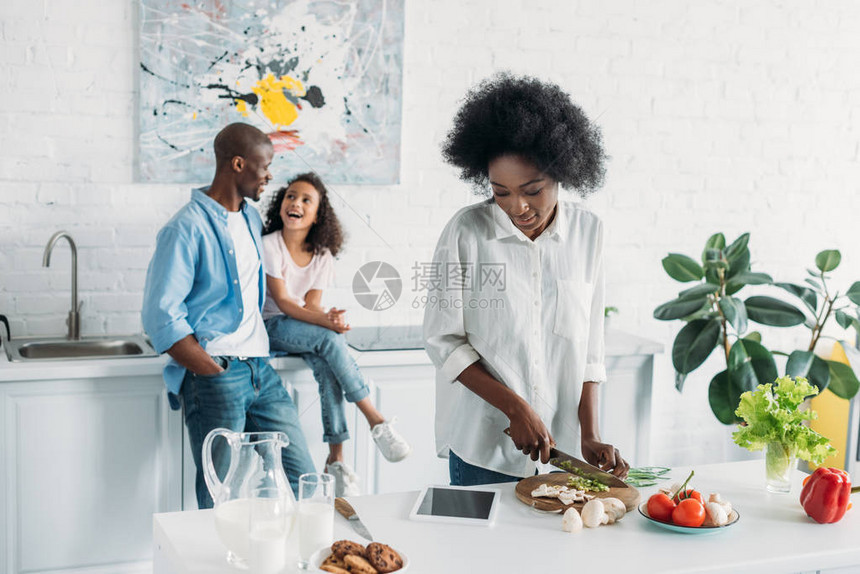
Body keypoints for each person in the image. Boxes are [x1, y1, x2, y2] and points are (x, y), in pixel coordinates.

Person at [423, 73, 630, 487]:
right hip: (483, 446)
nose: (517, 206)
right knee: (478, 553)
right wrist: (515, 409)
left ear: (563, 173)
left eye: (532, 190)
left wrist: (589, 434)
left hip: (562, 449)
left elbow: (590, 346)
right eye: (501, 192)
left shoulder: (589, 234)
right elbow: (444, 341)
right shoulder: (466, 232)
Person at [142, 123, 315, 508]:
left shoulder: (251, 219)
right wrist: (209, 368)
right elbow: (160, 316)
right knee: (221, 498)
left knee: (303, 478)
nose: (270, 175)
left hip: (261, 371)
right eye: (264, 166)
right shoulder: (184, 228)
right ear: (238, 164)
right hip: (217, 376)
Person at [261, 172, 411, 497]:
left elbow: (312, 304)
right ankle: (375, 419)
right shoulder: (270, 245)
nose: (295, 203)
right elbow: (285, 303)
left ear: (317, 215)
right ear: (280, 204)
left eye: (305, 200)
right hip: (269, 326)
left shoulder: (321, 254)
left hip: (299, 330)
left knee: (326, 364)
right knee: (329, 340)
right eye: (290, 196)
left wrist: (330, 317)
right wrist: (327, 325)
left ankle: (336, 459)